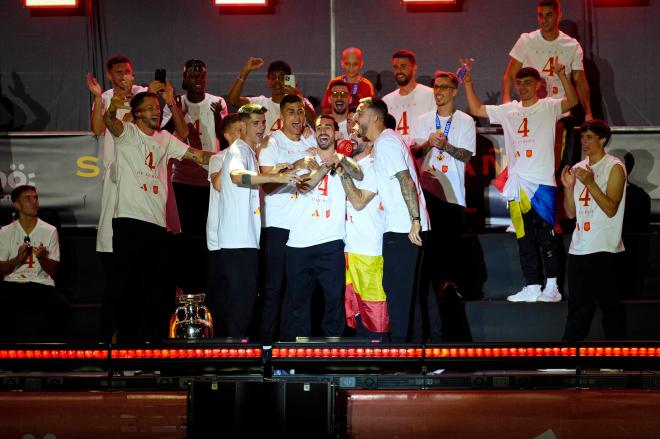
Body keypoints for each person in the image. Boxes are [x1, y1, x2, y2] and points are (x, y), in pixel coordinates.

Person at [85, 54, 186, 340]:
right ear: (109, 76)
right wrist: (103, 101)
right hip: (116, 178)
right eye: (118, 72)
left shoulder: (145, 97)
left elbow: (175, 131)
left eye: (127, 71)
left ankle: (146, 342)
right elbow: (97, 129)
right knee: (118, 269)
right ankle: (112, 343)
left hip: (146, 186)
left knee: (150, 279)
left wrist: (165, 99)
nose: (124, 77)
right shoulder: (105, 97)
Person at [103, 90, 212, 341]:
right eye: (150, 107)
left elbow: (197, 156)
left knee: (158, 290)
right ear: (137, 113)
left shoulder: (164, 138)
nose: (156, 111)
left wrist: (229, 157)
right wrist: (111, 108)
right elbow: (111, 123)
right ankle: (107, 347)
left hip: (156, 226)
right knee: (122, 289)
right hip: (128, 221)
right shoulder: (128, 133)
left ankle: (149, 347)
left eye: (157, 107)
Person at [465, 64, 578, 303]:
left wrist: (560, 75)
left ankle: (552, 287)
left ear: (538, 85)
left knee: (546, 237)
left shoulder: (548, 107)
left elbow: (572, 101)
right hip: (517, 185)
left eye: (528, 83)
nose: (523, 87)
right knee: (524, 238)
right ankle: (532, 285)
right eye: (519, 83)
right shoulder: (509, 110)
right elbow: (476, 108)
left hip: (542, 185)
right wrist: (467, 81)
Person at [207, 104, 300, 338]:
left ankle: (237, 356)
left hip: (245, 239)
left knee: (245, 301)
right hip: (237, 241)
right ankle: (234, 358)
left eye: (262, 123)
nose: (261, 128)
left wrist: (275, 170)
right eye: (255, 123)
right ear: (242, 126)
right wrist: (274, 176)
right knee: (242, 303)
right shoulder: (238, 149)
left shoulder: (249, 152)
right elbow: (236, 176)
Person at [282, 115, 363, 340]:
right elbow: (304, 186)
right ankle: (301, 356)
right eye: (318, 128)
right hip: (298, 243)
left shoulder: (345, 160)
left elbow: (359, 174)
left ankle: (332, 356)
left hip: (331, 242)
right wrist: (325, 167)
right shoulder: (303, 159)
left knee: (334, 303)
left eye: (328, 127)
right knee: (298, 305)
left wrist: (340, 160)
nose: (323, 131)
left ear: (337, 134)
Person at [356, 98, 429, 342]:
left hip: (404, 229)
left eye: (361, 112)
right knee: (408, 297)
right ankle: (417, 359)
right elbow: (362, 197)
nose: (357, 117)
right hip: (402, 227)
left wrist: (415, 220)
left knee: (399, 297)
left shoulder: (387, 142)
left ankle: (401, 359)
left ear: (375, 117)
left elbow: (405, 179)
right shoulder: (384, 143)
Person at [412, 70, 476, 340]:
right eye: (435, 87)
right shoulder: (423, 120)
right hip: (428, 197)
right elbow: (413, 153)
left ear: (454, 91)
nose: (437, 92)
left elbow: (466, 156)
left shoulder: (465, 121)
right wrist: (429, 143)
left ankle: (452, 332)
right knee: (430, 265)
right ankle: (431, 328)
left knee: (449, 269)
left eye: (443, 88)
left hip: (452, 199)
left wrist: (446, 146)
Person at [257, 94, 319, 342]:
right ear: (281, 115)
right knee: (274, 289)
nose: (297, 117)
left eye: (300, 111)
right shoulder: (272, 142)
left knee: (300, 291)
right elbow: (268, 186)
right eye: (291, 112)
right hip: (279, 225)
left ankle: (291, 349)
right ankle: (266, 349)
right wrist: (296, 164)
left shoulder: (310, 141)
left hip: (305, 228)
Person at [503, 0, 593, 170]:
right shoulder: (526, 40)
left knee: (561, 166)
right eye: (540, 15)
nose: (544, 20)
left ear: (559, 15)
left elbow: (580, 80)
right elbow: (509, 75)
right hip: (532, 113)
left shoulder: (572, 45)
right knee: (531, 162)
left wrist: (588, 112)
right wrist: (507, 102)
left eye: (549, 15)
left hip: (560, 112)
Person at [561, 120, 626, 341]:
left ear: (602, 139)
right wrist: (569, 189)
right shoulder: (578, 168)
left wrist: (590, 183)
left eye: (589, 137)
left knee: (610, 308)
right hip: (579, 248)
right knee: (576, 309)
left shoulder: (614, 166)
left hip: (605, 248)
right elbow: (570, 214)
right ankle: (567, 359)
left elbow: (610, 208)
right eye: (582, 137)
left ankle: (616, 362)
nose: (584, 142)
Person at [170, 59, 229, 293]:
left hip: (208, 179)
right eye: (191, 75)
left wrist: (218, 119)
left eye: (200, 75)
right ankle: (184, 285)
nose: (196, 79)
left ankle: (208, 285)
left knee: (208, 234)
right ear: (184, 78)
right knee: (183, 237)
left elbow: (225, 139)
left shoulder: (217, 102)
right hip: (182, 177)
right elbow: (164, 132)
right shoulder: (176, 103)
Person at [0, 185, 70, 340]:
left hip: (41, 284)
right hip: (13, 283)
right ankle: (9, 351)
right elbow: (1, 270)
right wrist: (17, 260)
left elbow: (52, 270)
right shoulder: (5, 232)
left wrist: (42, 258)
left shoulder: (49, 230)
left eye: (36, 198)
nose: (34, 202)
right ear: (16, 204)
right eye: (28, 198)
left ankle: (40, 347)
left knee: (62, 306)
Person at [340, 132, 389, 338]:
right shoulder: (348, 165)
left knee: (375, 316)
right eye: (350, 131)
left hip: (369, 252)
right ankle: (363, 365)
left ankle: (382, 365)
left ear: (369, 141)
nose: (352, 136)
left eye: (358, 135)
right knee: (356, 315)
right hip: (347, 251)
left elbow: (358, 202)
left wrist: (342, 169)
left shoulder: (375, 165)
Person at [227, 57, 316, 132]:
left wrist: (297, 96)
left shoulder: (301, 102)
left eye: (281, 77)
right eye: (273, 77)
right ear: (268, 80)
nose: (277, 81)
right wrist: (245, 72)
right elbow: (233, 100)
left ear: (289, 80)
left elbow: (315, 124)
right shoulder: (260, 103)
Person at [382, 50, 436, 146]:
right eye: (396, 67)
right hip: (396, 156)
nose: (399, 71)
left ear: (414, 68)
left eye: (403, 66)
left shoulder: (430, 95)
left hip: (424, 155)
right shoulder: (386, 101)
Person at [320, 47, 375, 114]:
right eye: (347, 64)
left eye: (355, 64)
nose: (351, 68)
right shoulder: (334, 83)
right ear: (342, 63)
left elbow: (371, 111)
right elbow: (325, 110)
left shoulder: (367, 85)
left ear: (361, 64)